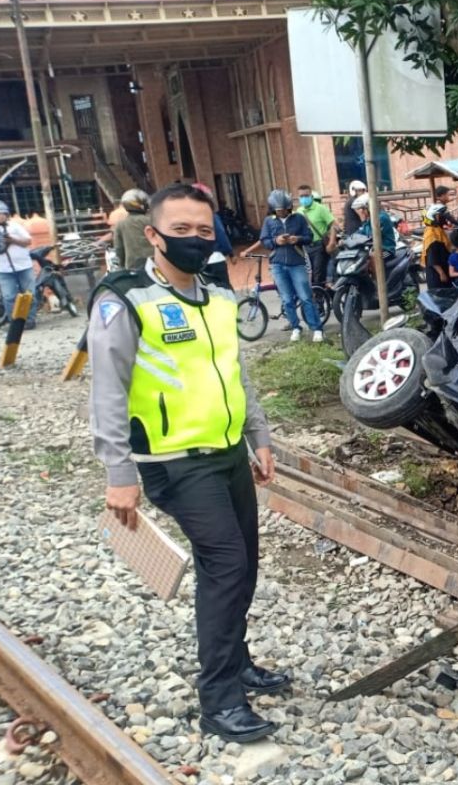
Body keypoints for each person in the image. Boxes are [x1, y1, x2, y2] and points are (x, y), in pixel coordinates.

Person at [87, 183, 286, 745]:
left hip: (224, 453)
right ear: (152, 235)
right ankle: (219, 700)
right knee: (224, 566)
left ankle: (237, 660)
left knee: (242, 563)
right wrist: (119, 474)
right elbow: (108, 389)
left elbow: (235, 372)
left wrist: (258, 435)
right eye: (181, 231)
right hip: (173, 462)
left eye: (204, 231)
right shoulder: (123, 299)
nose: (195, 241)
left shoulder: (218, 298)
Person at [259, 189, 324, 343]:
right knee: (287, 299)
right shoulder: (269, 221)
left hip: (297, 263)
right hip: (278, 264)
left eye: (284, 210)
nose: (281, 213)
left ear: (289, 207)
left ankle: (317, 329)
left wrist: (298, 239)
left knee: (306, 297)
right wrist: (276, 241)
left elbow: (309, 237)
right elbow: (264, 240)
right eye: (278, 210)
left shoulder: (299, 219)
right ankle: (295, 327)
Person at [0, 199, 40, 329]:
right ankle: (15, 322)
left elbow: (27, 241)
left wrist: (13, 240)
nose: (2, 216)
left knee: (29, 294)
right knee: (9, 296)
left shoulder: (14, 226)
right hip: (3, 269)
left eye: (4, 213)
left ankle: (30, 320)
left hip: (24, 266)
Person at [191, 183, 234, 289]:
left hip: (198, 261)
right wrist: (230, 253)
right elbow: (221, 235)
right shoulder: (211, 216)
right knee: (224, 288)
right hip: (215, 258)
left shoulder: (189, 218)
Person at [295, 184, 336, 291]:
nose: (304, 198)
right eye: (301, 196)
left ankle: (320, 299)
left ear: (311, 196)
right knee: (309, 275)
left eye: (306, 195)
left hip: (318, 246)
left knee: (318, 274)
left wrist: (332, 241)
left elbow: (333, 224)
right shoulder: (298, 212)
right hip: (305, 248)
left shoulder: (320, 209)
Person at [111, 190, 153, 271]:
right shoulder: (151, 220)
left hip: (133, 266)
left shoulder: (120, 224)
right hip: (154, 264)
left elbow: (119, 248)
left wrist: (122, 266)